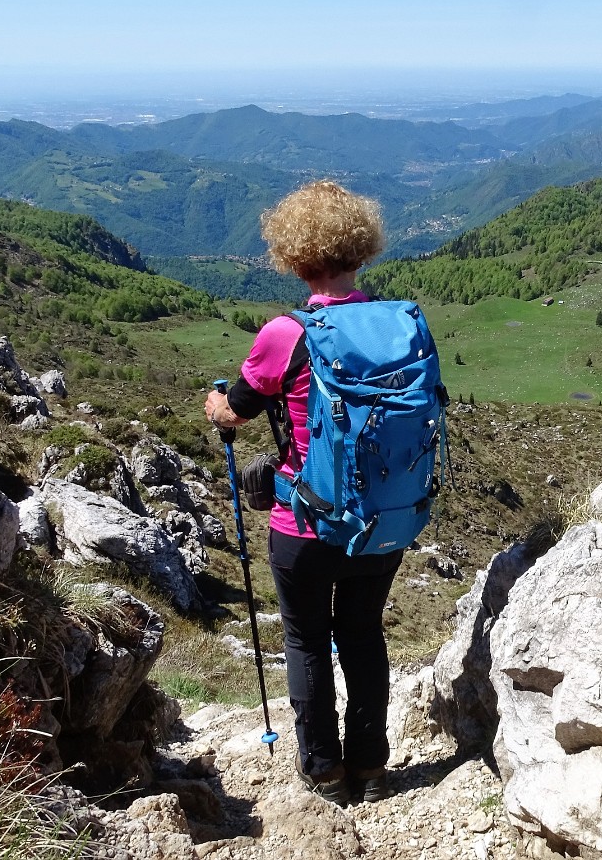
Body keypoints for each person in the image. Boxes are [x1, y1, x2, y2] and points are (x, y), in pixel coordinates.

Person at [204, 180, 399, 807]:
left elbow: (235, 409)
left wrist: (214, 404)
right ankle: (369, 763)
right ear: (360, 249)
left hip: (304, 524)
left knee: (308, 639)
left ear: (294, 254)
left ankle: (321, 767)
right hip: (378, 522)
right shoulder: (392, 324)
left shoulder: (285, 334)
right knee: (363, 633)